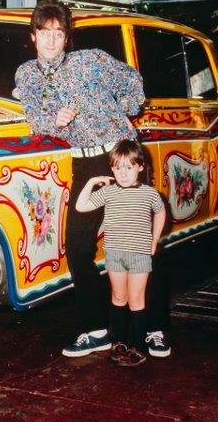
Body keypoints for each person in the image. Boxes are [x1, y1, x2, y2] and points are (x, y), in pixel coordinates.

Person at [12, 0, 167, 357]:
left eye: (59, 33)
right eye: (45, 33)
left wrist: (126, 114)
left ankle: (156, 327)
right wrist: (57, 122)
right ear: (33, 36)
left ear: (67, 37)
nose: (52, 40)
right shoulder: (27, 75)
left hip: (119, 156)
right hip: (83, 163)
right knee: (78, 246)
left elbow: (132, 80)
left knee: (140, 242)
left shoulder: (91, 59)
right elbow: (36, 116)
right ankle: (96, 329)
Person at [75, 140, 166, 367]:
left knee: (136, 300)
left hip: (139, 255)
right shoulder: (108, 192)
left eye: (128, 167)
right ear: (112, 168)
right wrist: (91, 182)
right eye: (117, 167)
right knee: (118, 297)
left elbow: (161, 212)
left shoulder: (149, 193)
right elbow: (81, 206)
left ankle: (136, 346)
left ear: (140, 167)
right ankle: (119, 342)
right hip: (114, 254)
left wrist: (154, 239)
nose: (123, 173)